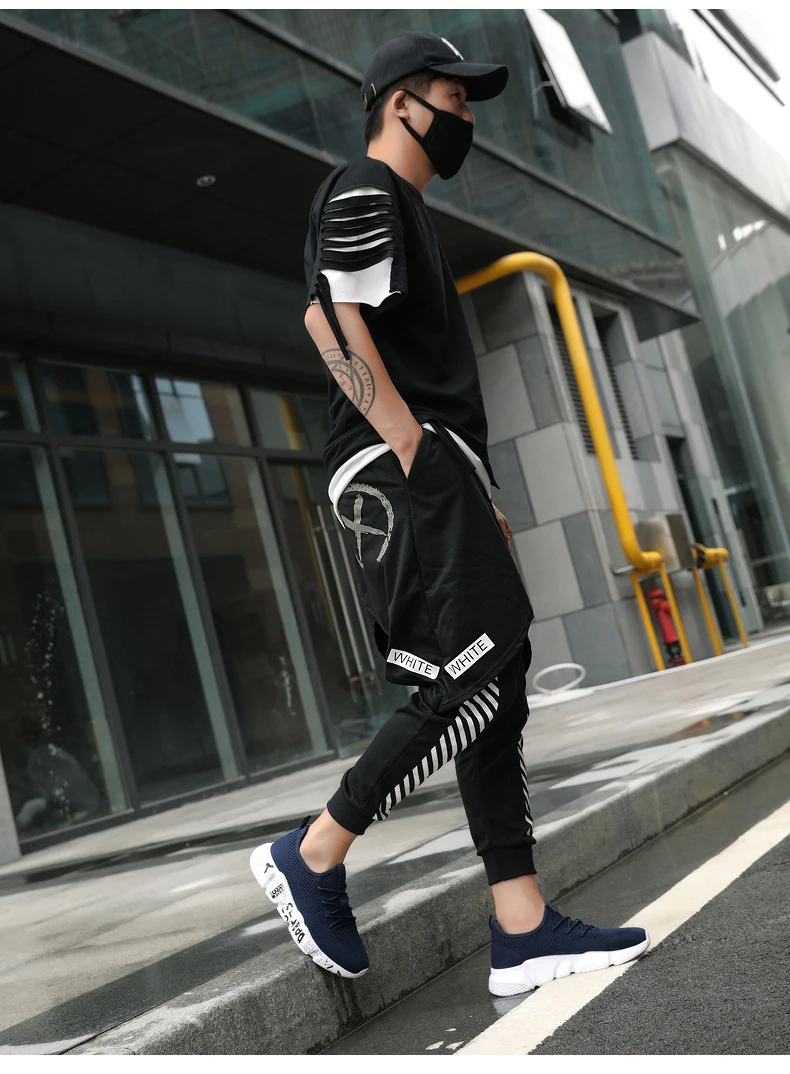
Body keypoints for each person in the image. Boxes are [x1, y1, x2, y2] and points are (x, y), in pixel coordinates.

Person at [250, 30, 650, 996]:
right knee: (467, 677)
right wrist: (414, 452)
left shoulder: (409, 210)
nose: (466, 116)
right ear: (401, 103)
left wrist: (468, 484)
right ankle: (314, 850)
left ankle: (522, 927)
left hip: (433, 468)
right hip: (399, 467)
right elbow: (326, 317)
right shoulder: (367, 187)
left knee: (498, 680)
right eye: (455, 98)